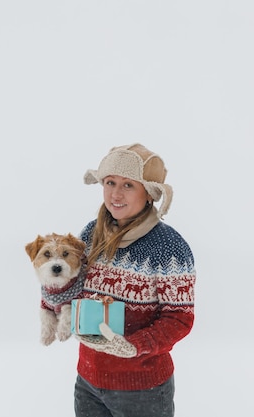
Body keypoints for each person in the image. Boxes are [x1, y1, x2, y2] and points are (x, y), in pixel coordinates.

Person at [73, 143, 196, 417]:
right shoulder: (91, 233)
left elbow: (179, 318)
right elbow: (75, 290)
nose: (116, 194)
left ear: (149, 194)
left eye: (128, 185)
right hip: (88, 381)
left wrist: (134, 346)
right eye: (110, 182)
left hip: (142, 390)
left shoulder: (170, 248)